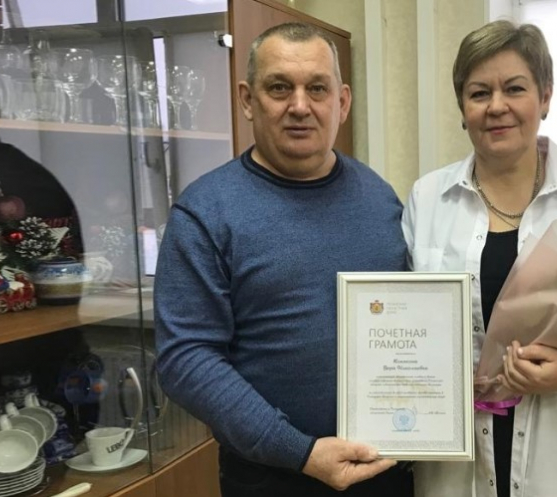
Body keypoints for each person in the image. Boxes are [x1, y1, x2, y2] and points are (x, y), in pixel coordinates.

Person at [153, 22, 412, 497]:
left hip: (385, 468)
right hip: (272, 477)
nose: (299, 106)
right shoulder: (205, 212)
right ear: (248, 99)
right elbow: (186, 358)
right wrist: (299, 451)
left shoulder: (379, 197)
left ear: (342, 102)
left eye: (317, 88)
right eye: (279, 88)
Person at [402, 20, 557, 497]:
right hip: (458, 456)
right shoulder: (427, 199)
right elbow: (407, 323)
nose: (497, 106)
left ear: (545, 96)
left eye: (514, 88)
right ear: (462, 107)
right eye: (479, 93)